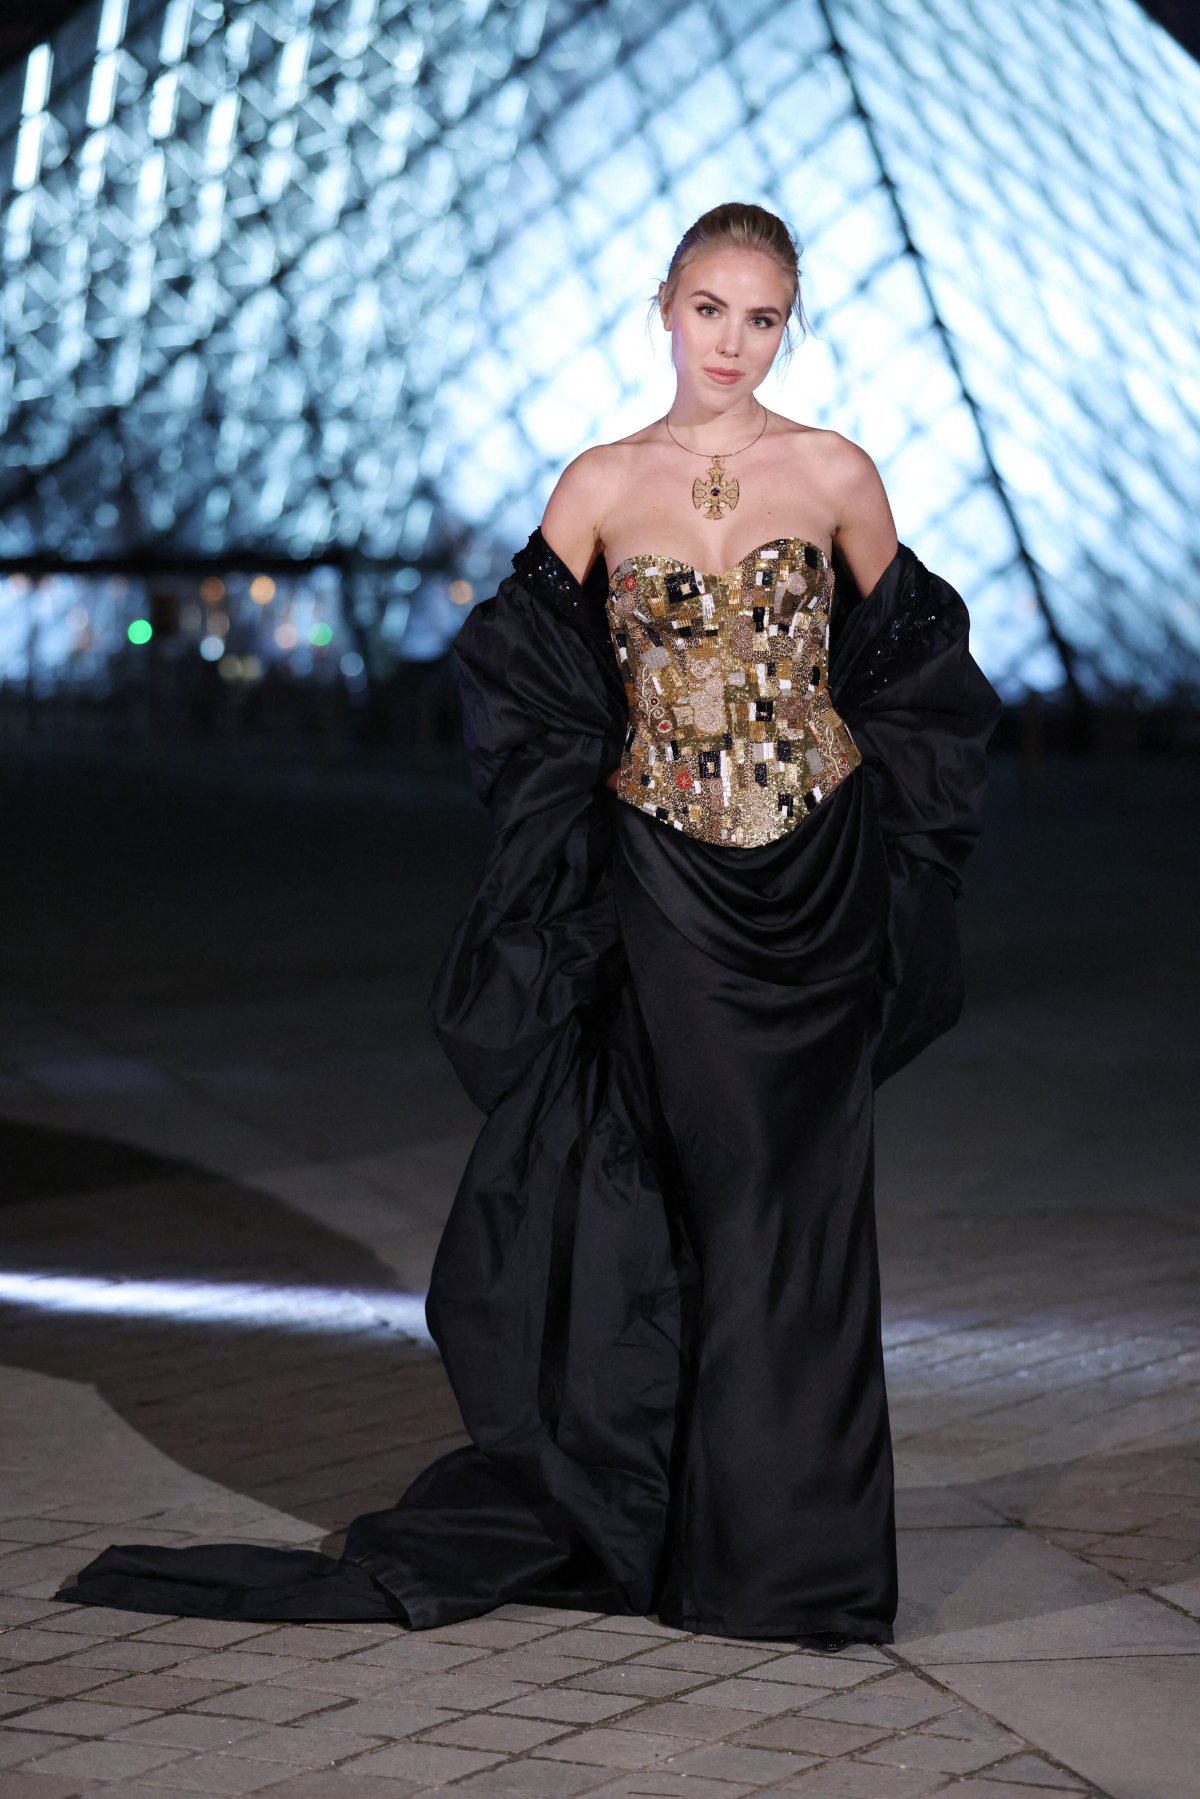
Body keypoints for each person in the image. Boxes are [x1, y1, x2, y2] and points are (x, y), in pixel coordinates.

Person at [58, 201, 1001, 1648]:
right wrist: (587, 825)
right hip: (672, 896)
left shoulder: (839, 475)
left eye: (760, 316)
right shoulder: (600, 485)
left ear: (788, 325)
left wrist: (882, 831)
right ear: (662, 307)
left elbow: (920, 668)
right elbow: (518, 673)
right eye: (708, 309)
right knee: (724, 1202)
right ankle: (715, 1536)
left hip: (814, 893)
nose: (731, 342)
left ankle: (792, 1569)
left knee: (802, 1218)